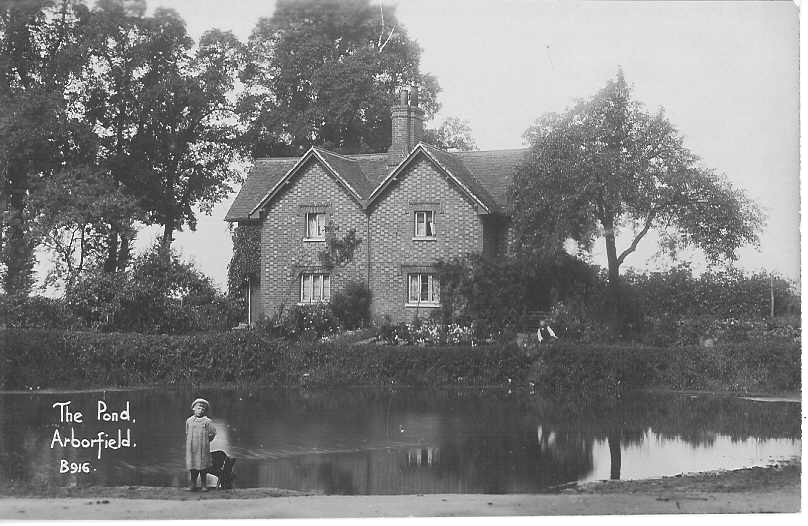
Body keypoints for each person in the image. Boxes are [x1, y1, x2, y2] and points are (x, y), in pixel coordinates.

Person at [186, 398, 216, 491]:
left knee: (203, 467)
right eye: (198, 408)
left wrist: (205, 442)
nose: (200, 410)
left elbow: (212, 433)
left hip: (203, 448)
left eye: (203, 409)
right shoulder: (189, 421)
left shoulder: (207, 421)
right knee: (193, 466)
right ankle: (192, 484)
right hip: (192, 448)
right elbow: (187, 432)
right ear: (193, 408)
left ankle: (204, 485)